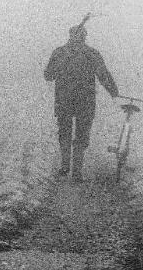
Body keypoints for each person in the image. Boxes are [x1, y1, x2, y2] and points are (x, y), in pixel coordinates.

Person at [44, 20, 119, 181]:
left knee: (64, 132)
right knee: (81, 135)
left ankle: (65, 167)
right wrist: (113, 91)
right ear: (85, 37)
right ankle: (76, 172)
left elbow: (48, 76)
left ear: (70, 36)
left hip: (63, 100)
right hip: (85, 101)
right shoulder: (91, 53)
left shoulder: (59, 52)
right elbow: (103, 75)